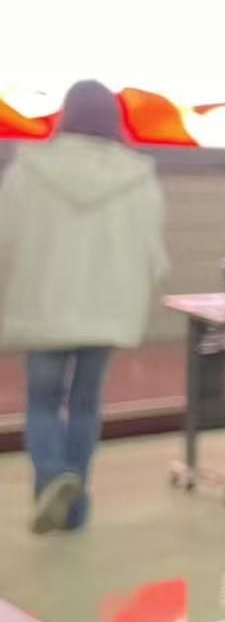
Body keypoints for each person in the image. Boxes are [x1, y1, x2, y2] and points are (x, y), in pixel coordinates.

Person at [0, 80, 168, 533]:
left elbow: (6, 234)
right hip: (106, 307)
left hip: (43, 305)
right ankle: (74, 511)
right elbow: (153, 252)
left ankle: (53, 476)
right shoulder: (138, 176)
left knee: (42, 402)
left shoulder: (30, 169)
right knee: (85, 404)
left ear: (66, 114)